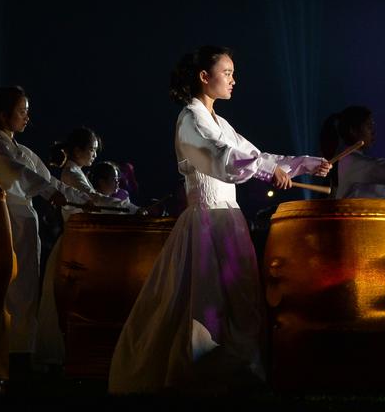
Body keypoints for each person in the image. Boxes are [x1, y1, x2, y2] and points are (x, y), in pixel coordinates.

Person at [108, 45, 331, 394]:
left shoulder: (220, 122)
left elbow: (254, 155)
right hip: (205, 222)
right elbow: (220, 158)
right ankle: (199, 373)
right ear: (204, 76)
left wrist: (303, 163)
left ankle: (234, 371)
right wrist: (267, 169)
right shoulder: (190, 118)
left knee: (236, 298)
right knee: (205, 299)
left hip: (228, 219)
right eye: (226, 72)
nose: (233, 80)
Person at [0, 86, 98, 372]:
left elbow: (50, 181)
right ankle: (13, 356)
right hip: (9, 223)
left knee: (27, 288)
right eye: (22, 111)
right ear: (4, 116)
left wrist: (84, 199)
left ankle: (21, 352)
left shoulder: (21, 151)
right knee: (16, 289)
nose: (27, 117)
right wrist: (46, 191)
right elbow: (22, 176)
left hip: (25, 223)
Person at [33, 127, 137, 370]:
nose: (94, 154)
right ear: (78, 150)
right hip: (74, 242)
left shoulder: (76, 172)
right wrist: (132, 209)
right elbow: (93, 199)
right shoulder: (71, 174)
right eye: (91, 149)